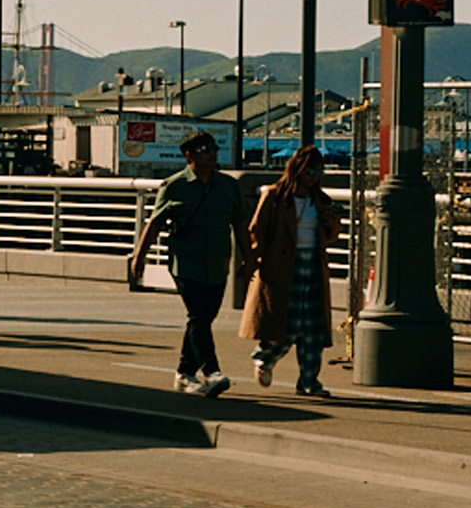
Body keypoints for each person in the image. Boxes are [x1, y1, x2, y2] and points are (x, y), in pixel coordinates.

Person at [130, 129, 255, 396]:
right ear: (189, 155)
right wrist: (139, 257)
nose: (212, 154)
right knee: (198, 316)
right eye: (205, 150)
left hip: (218, 263)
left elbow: (241, 225)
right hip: (185, 263)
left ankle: (185, 373)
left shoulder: (228, 186)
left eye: (214, 148)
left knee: (204, 318)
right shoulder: (174, 185)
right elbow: (155, 224)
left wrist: (250, 260)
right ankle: (212, 372)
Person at [240, 146, 346, 397]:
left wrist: (332, 227)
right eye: (310, 171)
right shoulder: (275, 196)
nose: (314, 177)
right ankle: (264, 357)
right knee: (286, 322)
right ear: (297, 169)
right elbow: (257, 230)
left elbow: (329, 238)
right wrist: (253, 261)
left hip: (313, 265)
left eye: (319, 172)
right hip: (281, 266)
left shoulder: (320, 200)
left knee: (312, 327)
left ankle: (309, 381)